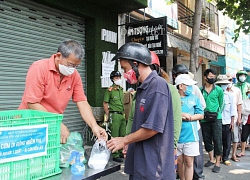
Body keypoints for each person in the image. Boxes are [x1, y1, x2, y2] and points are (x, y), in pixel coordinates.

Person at [107, 42, 175, 179]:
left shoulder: (157, 86)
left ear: (136, 63)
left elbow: (152, 128)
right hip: (141, 163)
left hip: (154, 168)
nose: (125, 74)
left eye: (125, 69)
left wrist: (125, 140)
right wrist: (129, 142)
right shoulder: (143, 88)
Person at [18, 39, 107, 143]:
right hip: (29, 124)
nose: (72, 69)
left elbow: (82, 102)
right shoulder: (39, 68)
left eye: (76, 66)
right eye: (70, 64)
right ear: (59, 56)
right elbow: (32, 103)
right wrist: (57, 124)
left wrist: (94, 126)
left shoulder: (74, 75)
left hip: (51, 126)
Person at [172, 64, 206, 180]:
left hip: (191, 135)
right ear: (181, 86)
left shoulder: (194, 96)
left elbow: (201, 113)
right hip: (177, 135)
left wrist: (191, 117)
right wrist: (180, 115)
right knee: (180, 161)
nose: (191, 87)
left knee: (189, 161)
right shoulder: (172, 95)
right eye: (189, 85)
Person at [200, 69, 224, 173]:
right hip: (204, 119)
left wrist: (217, 113)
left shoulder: (218, 90)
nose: (212, 78)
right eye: (210, 77)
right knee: (207, 139)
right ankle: (211, 159)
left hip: (216, 119)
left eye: (214, 76)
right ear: (205, 77)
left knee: (218, 140)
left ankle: (218, 162)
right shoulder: (200, 90)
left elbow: (222, 103)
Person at [103, 71, 126, 162]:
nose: (118, 79)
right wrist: (108, 114)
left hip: (121, 114)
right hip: (114, 114)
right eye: (116, 78)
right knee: (115, 135)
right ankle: (115, 153)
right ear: (112, 79)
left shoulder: (121, 89)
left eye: (119, 77)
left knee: (122, 134)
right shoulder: (110, 90)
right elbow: (105, 103)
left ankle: (121, 152)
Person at [215, 75, 237, 166]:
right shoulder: (215, 94)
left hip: (227, 121)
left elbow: (232, 109)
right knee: (217, 140)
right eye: (221, 84)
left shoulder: (230, 96)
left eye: (225, 84)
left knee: (227, 141)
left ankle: (225, 157)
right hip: (217, 121)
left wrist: (232, 122)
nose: (223, 86)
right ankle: (218, 156)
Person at [226, 74, 243, 162]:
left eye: (229, 80)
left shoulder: (236, 90)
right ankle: (224, 155)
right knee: (224, 137)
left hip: (235, 116)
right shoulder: (221, 90)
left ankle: (233, 154)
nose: (228, 82)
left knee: (235, 137)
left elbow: (239, 105)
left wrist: (239, 117)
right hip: (224, 117)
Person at [237, 88, 250, 157]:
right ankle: (242, 151)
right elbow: (242, 111)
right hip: (246, 122)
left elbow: (246, 110)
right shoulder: (244, 101)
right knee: (244, 137)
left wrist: (248, 110)